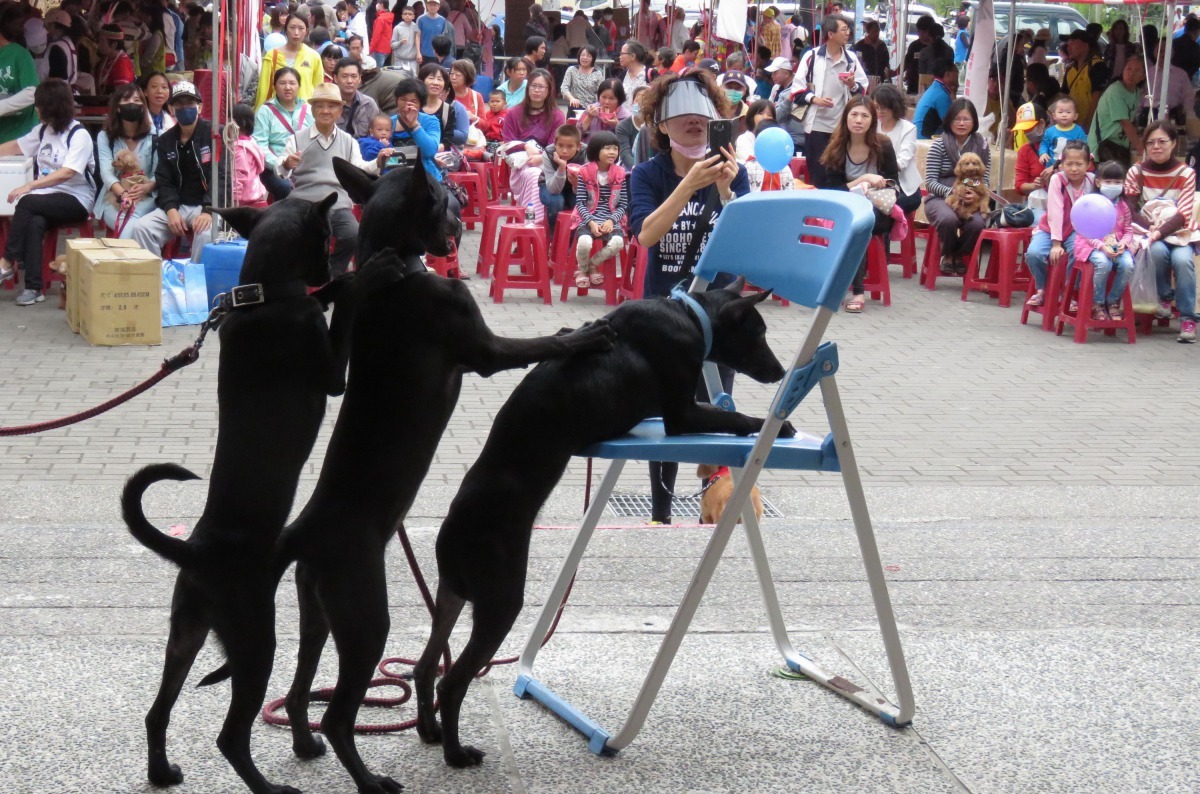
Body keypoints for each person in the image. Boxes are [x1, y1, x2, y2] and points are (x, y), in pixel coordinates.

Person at [628, 71, 748, 525]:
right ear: (661, 125)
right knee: (665, 416)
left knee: (714, 408)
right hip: (665, 312)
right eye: (682, 116)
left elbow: (746, 245)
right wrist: (688, 186)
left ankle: (712, 511)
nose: (695, 122)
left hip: (720, 314)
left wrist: (727, 192)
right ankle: (660, 515)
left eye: (704, 114)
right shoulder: (647, 174)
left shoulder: (733, 172)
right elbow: (646, 234)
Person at [0, 80, 96, 306]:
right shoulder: (44, 130)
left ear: (52, 107)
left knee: (26, 202)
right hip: (46, 198)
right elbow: (16, 146)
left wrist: (31, 186)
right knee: (34, 221)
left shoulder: (78, 135)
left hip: (77, 199)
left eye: (39, 105)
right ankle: (34, 287)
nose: (36, 110)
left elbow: (67, 173)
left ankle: (7, 262)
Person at [279, 82, 385, 275]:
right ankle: (302, 275)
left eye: (331, 106)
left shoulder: (348, 141)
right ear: (312, 109)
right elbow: (281, 169)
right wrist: (287, 163)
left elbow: (359, 168)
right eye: (319, 106)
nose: (325, 111)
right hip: (303, 203)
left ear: (340, 111)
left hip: (337, 203)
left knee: (353, 234)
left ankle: (332, 274)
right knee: (296, 236)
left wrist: (377, 162)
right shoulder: (297, 138)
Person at [820, 96, 898, 313]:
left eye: (865, 116)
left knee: (859, 225)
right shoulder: (836, 147)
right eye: (854, 114)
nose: (858, 120)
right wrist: (863, 179)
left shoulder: (883, 145)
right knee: (853, 223)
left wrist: (875, 183)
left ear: (872, 120)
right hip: (845, 208)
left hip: (878, 210)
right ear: (845, 117)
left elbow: (895, 184)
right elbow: (833, 190)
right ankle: (837, 285)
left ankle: (858, 292)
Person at [1125, 121, 1198, 343]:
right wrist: (1151, 230)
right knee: (1156, 252)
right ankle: (1165, 297)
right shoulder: (1136, 171)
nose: (1156, 146)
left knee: (1183, 261)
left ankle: (1187, 319)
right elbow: (1129, 209)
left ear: (1174, 143)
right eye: (1150, 142)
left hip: (1179, 234)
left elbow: (1183, 214)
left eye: (1162, 141)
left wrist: (1158, 232)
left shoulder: (1186, 173)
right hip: (1148, 234)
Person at [129, 81, 215, 262]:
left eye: (190, 103)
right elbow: (164, 180)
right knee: (141, 228)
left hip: (207, 206)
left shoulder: (214, 135)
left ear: (200, 107)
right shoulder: (166, 140)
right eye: (179, 104)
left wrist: (208, 210)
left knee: (206, 234)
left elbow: (222, 177)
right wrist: (171, 209)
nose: (185, 108)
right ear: (171, 109)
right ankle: (156, 276)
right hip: (178, 205)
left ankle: (194, 276)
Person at [790, 13, 868, 188]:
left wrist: (852, 84)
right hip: (816, 127)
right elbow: (796, 90)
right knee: (818, 175)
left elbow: (862, 89)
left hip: (841, 127)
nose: (848, 33)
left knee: (838, 175)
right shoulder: (812, 56)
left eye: (848, 29)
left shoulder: (851, 59)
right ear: (830, 34)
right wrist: (815, 99)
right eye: (843, 30)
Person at [923, 97, 991, 276]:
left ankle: (959, 254)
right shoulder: (939, 145)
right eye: (957, 119)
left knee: (977, 223)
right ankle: (948, 254)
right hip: (941, 197)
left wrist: (976, 195)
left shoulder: (982, 145)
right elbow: (930, 182)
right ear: (949, 120)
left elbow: (986, 179)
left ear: (974, 122)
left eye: (966, 119)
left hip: (973, 197)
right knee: (948, 219)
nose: (961, 123)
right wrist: (953, 192)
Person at [1024, 140, 1094, 312]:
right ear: (1062, 164)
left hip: (1076, 230)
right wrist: (1056, 243)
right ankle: (1043, 288)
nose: (1074, 169)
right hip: (1050, 229)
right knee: (1034, 253)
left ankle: (1070, 292)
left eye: (1079, 164)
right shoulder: (1058, 180)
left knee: (1078, 252)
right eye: (1069, 164)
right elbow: (1055, 212)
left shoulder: (1092, 181)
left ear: (1088, 165)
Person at [94, 84, 160, 238]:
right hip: (114, 198)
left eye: (137, 100)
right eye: (126, 100)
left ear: (143, 107)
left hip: (148, 197)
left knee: (133, 219)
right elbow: (106, 173)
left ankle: (124, 252)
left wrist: (146, 188)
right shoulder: (105, 137)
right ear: (117, 107)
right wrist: (124, 194)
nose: (131, 103)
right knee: (129, 220)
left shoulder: (157, 136)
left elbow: (159, 172)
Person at [501, 68, 565, 222]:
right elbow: (508, 144)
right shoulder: (513, 113)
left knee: (538, 176)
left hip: (547, 168)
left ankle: (532, 223)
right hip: (521, 167)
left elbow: (555, 146)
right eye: (533, 86)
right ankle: (534, 223)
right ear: (527, 87)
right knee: (534, 174)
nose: (536, 90)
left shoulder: (557, 116)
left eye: (541, 87)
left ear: (549, 90)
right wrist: (525, 147)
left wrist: (541, 158)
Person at [1076, 160, 1135, 322]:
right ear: (1098, 182)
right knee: (1103, 263)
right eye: (1108, 181)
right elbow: (1085, 232)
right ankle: (1098, 303)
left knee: (1128, 265)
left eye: (1117, 182)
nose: (1112, 185)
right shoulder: (1090, 204)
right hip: (1091, 245)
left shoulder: (1124, 205)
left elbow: (1128, 230)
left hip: (1116, 245)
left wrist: (1124, 243)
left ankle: (1113, 301)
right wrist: (1102, 247)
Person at [569, 130, 626, 288]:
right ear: (595, 150)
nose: (612, 152)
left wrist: (611, 221)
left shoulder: (620, 173)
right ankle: (582, 270)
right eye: (607, 148)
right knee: (584, 243)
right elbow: (580, 202)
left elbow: (623, 204)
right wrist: (591, 222)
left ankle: (591, 265)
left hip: (611, 219)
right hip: (588, 218)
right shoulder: (584, 172)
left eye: (615, 148)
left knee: (618, 242)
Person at [253, 68, 313, 200]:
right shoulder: (265, 111)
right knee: (285, 187)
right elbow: (259, 145)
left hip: (305, 165)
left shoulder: (309, 110)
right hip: (273, 167)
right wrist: (280, 163)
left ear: (299, 86)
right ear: (275, 86)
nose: (287, 87)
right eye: (282, 83)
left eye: (292, 83)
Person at [255, 13, 324, 108]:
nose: (296, 33)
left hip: (305, 112)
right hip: (276, 112)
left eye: (301, 28)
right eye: (292, 27)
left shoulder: (313, 56)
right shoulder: (272, 56)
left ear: (307, 31)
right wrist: (260, 112)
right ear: (285, 30)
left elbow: (318, 89)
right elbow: (263, 89)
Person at [1088, 55, 1144, 168]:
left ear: (1143, 76)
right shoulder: (1115, 91)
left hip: (1119, 147)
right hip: (1103, 147)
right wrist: (1141, 149)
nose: (1131, 73)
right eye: (1128, 69)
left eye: (1137, 70)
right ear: (1122, 71)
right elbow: (1125, 124)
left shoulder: (1137, 92)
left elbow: (1132, 120)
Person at [873, 83, 921, 214]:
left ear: (894, 106)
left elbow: (902, 162)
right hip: (876, 184)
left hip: (905, 188)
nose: (880, 111)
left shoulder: (908, 129)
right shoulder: (872, 126)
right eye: (876, 107)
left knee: (880, 207)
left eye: (884, 107)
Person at [388, 76, 443, 178]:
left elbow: (429, 151)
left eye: (414, 101)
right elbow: (386, 158)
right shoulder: (389, 122)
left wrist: (414, 124)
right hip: (397, 178)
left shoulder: (430, 121)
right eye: (403, 99)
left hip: (425, 178)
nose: (407, 104)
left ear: (421, 104)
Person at [540, 122, 585, 233]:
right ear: (555, 144)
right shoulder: (549, 153)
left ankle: (573, 239)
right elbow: (553, 189)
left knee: (579, 203)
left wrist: (576, 184)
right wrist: (561, 168)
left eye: (570, 146)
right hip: (549, 185)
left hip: (575, 188)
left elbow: (587, 189)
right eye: (560, 146)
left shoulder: (585, 154)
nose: (564, 151)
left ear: (578, 146)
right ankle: (554, 236)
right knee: (557, 201)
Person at [1060, 30, 1109, 128]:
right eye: (1067, 44)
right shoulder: (1070, 69)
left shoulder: (1097, 66)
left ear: (1085, 45)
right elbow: (1063, 96)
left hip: (1092, 128)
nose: (1068, 48)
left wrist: (1088, 126)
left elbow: (1097, 98)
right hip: (1072, 127)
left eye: (1072, 43)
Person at [1011, 102, 1049, 222]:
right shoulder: (1025, 150)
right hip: (1038, 203)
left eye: (1029, 128)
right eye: (1024, 129)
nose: (1026, 132)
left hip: (1064, 200)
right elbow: (1019, 186)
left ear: (1042, 123)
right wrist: (1035, 185)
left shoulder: (1057, 143)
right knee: (1039, 220)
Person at [420, 62, 467, 154]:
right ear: (421, 81)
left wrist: (430, 149)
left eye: (440, 79)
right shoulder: (414, 106)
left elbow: (447, 141)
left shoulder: (448, 110)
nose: (435, 83)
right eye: (431, 78)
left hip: (438, 157)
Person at [1143, 38, 1190, 125]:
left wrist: (1188, 114)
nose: (1163, 54)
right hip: (1150, 113)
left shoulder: (1181, 74)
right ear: (1154, 52)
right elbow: (1141, 95)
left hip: (1173, 114)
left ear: (1172, 52)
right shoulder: (1147, 72)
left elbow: (1188, 96)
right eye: (1160, 51)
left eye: (1166, 50)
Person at [229, 103, 268, 207]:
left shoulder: (240, 149)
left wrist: (233, 203)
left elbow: (238, 177)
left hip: (245, 204)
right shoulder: (251, 142)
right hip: (256, 198)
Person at [334, 57, 380, 137]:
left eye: (354, 76)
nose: (349, 81)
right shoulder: (329, 104)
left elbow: (376, 134)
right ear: (336, 78)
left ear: (359, 79)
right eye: (344, 76)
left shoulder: (369, 104)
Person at [912, 58, 957, 139]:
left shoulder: (935, 88)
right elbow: (952, 124)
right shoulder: (941, 95)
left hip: (919, 137)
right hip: (925, 141)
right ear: (947, 74)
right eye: (956, 71)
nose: (958, 75)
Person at [1038, 95, 1088, 166]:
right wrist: (1043, 153)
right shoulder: (1050, 131)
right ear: (1054, 116)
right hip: (1052, 166)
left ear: (1075, 116)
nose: (1064, 115)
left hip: (1071, 166)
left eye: (1068, 112)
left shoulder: (1078, 131)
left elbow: (1084, 146)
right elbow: (1044, 144)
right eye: (1060, 112)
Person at [616, 84, 652, 168]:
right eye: (637, 100)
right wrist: (636, 168)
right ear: (632, 102)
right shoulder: (622, 126)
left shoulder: (656, 126)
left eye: (644, 100)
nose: (640, 105)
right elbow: (625, 153)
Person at [95, 24, 136, 97]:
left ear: (114, 44)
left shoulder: (122, 66)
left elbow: (120, 97)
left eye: (102, 42)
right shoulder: (107, 58)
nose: (98, 45)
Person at [915, 16, 953, 94]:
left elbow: (922, 75)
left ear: (929, 35)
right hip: (946, 87)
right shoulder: (950, 50)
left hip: (929, 88)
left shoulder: (925, 52)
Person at [561, 44, 603, 114]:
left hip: (590, 109)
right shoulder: (571, 70)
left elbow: (601, 93)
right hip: (574, 107)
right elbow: (564, 87)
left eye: (588, 56)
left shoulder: (598, 73)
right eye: (583, 55)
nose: (585, 58)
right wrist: (572, 98)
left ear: (593, 58)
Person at [43, 9, 78, 88]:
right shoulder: (69, 42)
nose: (47, 30)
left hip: (57, 91)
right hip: (67, 88)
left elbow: (56, 79)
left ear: (53, 25)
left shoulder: (56, 48)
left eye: (48, 25)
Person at [853, 19, 890, 93]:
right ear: (868, 32)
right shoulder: (860, 45)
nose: (876, 33)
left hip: (880, 78)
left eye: (878, 31)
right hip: (865, 78)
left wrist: (887, 73)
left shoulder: (882, 45)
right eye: (874, 31)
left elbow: (886, 61)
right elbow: (855, 61)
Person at [140, 71, 176, 137]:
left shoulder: (174, 120)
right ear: (145, 92)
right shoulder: (138, 118)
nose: (159, 91)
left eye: (164, 87)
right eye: (154, 86)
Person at [620, 41, 649, 112]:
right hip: (624, 118)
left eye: (622, 53)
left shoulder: (649, 74)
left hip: (643, 117)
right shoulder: (622, 76)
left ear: (633, 56)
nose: (620, 57)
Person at [391, 4, 420, 75]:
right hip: (399, 61)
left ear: (413, 16)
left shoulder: (416, 28)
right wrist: (400, 42)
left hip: (412, 61)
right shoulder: (397, 28)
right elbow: (392, 45)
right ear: (402, 16)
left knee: (412, 79)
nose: (407, 16)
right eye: (405, 14)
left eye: (410, 14)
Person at [417, 0, 449, 64]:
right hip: (424, 54)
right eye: (430, 5)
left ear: (438, 7)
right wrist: (418, 52)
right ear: (427, 6)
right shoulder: (420, 19)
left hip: (438, 54)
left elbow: (444, 37)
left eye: (434, 5)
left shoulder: (442, 20)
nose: (432, 7)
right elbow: (417, 36)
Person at [369, 0, 393, 66]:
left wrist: (370, 49)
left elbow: (376, 36)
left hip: (379, 49)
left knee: (377, 70)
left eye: (377, 3)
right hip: (387, 49)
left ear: (381, 4)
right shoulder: (389, 17)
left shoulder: (380, 19)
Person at [952, 14, 970, 84]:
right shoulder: (963, 33)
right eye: (969, 22)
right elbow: (967, 45)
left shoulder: (961, 32)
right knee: (958, 75)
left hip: (959, 57)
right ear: (966, 24)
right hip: (960, 58)